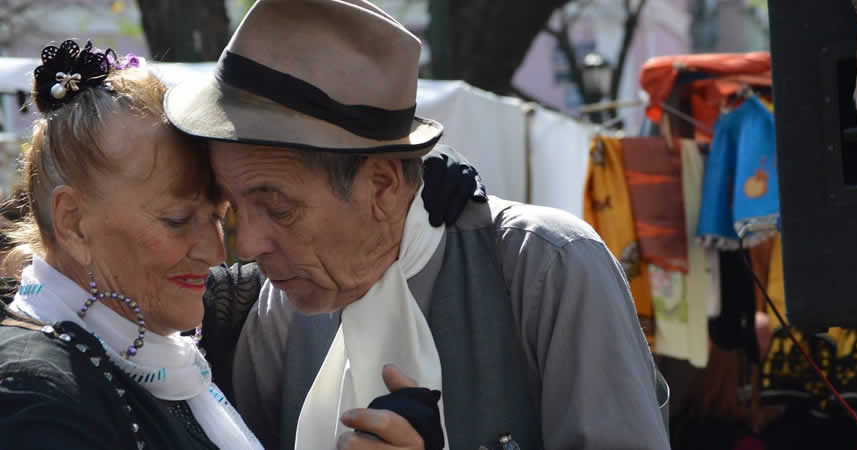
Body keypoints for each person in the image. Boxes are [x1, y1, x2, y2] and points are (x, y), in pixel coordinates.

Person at [164, 1, 672, 449]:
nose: (248, 245)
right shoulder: (282, 308)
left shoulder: (547, 268)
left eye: (278, 207)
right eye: (233, 207)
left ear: (382, 186)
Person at [0, 38, 484, 450]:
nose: (216, 252)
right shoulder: (34, 398)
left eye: (217, 216)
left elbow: (316, 257)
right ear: (73, 223)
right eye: (176, 219)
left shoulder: (168, 339)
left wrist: (401, 191)